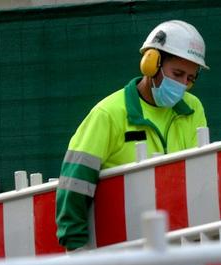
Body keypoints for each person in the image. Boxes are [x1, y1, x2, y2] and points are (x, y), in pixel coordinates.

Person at [55, 20, 208, 251]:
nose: (183, 85)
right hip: (120, 249)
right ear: (151, 63)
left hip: (181, 243)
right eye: (177, 74)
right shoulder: (108, 114)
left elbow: (200, 177)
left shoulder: (193, 108)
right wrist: (76, 247)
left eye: (190, 78)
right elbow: (75, 182)